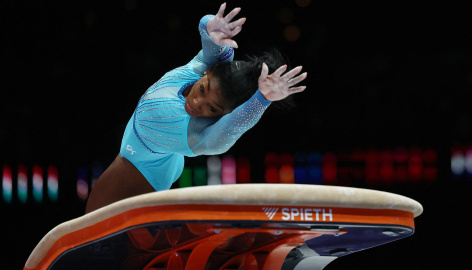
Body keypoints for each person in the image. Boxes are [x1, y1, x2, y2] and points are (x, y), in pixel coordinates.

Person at [85, 3, 307, 213]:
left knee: (89, 229)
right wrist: (209, 24)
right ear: (207, 73)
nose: (197, 104)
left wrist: (262, 100)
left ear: (223, 114)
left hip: (140, 168)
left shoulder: (196, 134)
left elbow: (236, 124)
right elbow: (210, 37)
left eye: (212, 109)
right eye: (202, 90)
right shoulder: (197, 67)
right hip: (155, 154)